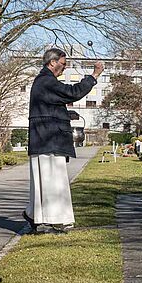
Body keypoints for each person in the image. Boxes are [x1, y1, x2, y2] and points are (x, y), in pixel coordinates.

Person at [24, 48, 103, 232]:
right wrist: (94, 75)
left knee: (46, 182)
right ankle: (54, 220)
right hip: (48, 140)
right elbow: (72, 92)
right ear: (52, 63)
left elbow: (50, 107)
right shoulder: (47, 81)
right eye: (63, 64)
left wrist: (66, 114)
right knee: (54, 182)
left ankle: (36, 215)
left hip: (45, 138)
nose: (64, 68)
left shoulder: (42, 81)